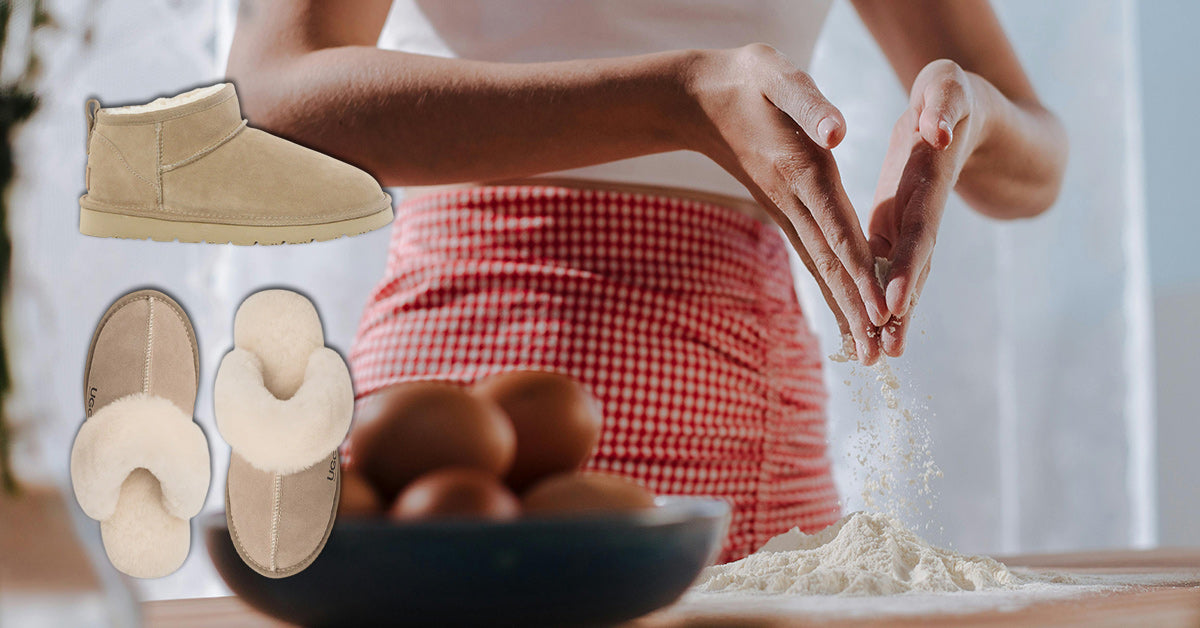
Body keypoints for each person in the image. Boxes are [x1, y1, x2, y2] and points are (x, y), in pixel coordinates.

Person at [227, 0, 1066, 561]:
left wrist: (974, 116)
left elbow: (1032, 167)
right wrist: (673, 101)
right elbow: (263, 102)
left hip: (741, 419)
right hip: (458, 396)